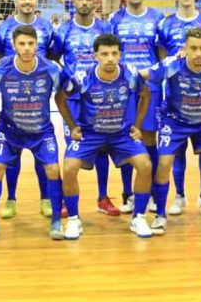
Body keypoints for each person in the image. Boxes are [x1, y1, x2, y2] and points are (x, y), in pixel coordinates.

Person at [141, 28, 201, 235]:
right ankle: (160, 215)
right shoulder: (172, 65)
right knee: (164, 163)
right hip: (174, 121)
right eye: (192, 48)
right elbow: (144, 75)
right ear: (184, 49)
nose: (197, 53)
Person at [58, 34, 153, 239]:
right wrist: (72, 126)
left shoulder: (130, 74)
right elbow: (60, 97)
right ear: (96, 56)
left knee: (145, 165)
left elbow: (146, 95)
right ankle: (74, 220)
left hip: (121, 134)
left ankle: (139, 217)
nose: (109, 58)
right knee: (69, 167)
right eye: (104, 54)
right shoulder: (82, 78)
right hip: (90, 134)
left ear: (120, 55)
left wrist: (137, 125)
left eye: (114, 54)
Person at [0, 25, 65, 242]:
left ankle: (56, 220)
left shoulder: (52, 69)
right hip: (9, 131)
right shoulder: (0, 67)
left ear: (37, 45)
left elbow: (64, 94)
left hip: (41, 131)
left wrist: (74, 123)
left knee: (54, 168)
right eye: (22, 44)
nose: (27, 48)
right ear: (14, 45)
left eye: (31, 43)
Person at [52, 0, 119, 216]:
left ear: (95, 2)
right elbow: (53, 57)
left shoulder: (105, 28)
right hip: (73, 97)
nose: (84, 2)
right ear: (73, 2)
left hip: (100, 97)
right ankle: (64, 200)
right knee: (73, 146)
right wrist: (67, 76)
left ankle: (102, 197)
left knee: (103, 147)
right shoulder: (63, 30)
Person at [0, 0, 58, 219]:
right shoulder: (3, 29)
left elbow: (53, 56)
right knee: (12, 154)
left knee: (44, 157)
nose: (27, 1)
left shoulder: (47, 27)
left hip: (38, 93)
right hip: (12, 93)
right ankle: (10, 199)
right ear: (16, 0)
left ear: (37, 0)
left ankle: (46, 199)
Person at [157, 0, 201, 216]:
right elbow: (162, 55)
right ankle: (179, 195)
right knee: (177, 150)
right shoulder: (165, 24)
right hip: (174, 96)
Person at [109, 0, 164, 213]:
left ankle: (149, 191)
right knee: (125, 138)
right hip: (122, 88)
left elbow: (162, 55)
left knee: (149, 137)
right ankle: (127, 193)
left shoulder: (158, 18)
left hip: (149, 87)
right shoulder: (115, 19)